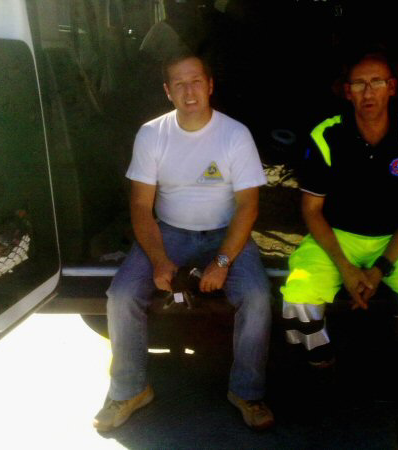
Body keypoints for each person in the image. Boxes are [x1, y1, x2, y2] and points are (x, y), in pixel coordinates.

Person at [93, 52, 274, 432]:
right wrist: (159, 259)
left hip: (226, 232)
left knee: (257, 296)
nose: (189, 91)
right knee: (121, 295)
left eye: (196, 82)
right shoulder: (152, 134)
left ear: (210, 86)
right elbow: (141, 206)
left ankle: (247, 392)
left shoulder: (235, 134)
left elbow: (248, 207)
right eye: (179, 84)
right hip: (170, 231)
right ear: (167, 91)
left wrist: (222, 262)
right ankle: (129, 390)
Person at [281, 48, 398, 369]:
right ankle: (318, 359)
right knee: (299, 293)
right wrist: (346, 268)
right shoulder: (326, 135)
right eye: (359, 84)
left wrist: (379, 270)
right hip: (338, 236)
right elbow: (312, 210)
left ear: (392, 87)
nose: (368, 92)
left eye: (377, 82)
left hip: (394, 239)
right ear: (348, 92)